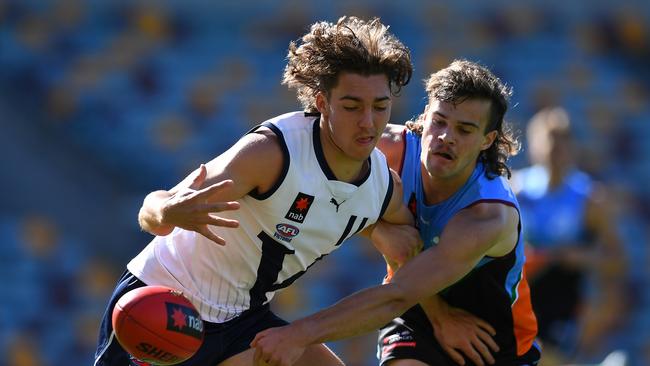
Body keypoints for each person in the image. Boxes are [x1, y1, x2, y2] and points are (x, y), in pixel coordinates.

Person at [94, 16, 417, 366]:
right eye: (352, 107)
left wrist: (382, 236)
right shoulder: (273, 154)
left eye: (380, 107)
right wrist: (168, 213)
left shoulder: (382, 186)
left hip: (243, 321)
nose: (368, 122)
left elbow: (405, 238)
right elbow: (153, 210)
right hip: (167, 305)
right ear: (323, 103)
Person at [251, 59, 541, 366]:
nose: (446, 137)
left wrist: (299, 334)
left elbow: (399, 292)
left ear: (488, 140)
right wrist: (377, 229)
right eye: (439, 121)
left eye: (465, 130)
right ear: (425, 115)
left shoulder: (486, 215)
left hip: (489, 338)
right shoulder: (387, 151)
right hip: (415, 309)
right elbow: (313, 154)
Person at [513, 107, 627, 364]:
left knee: (543, 358)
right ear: (533, 144)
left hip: (562, 305)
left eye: (563, 139)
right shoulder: (517, 190)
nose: (556, 147)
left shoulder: (589, 198)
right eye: (550, 138)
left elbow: (617, 260)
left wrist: (580, 257)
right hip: (518, 299)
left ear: (573, 146)